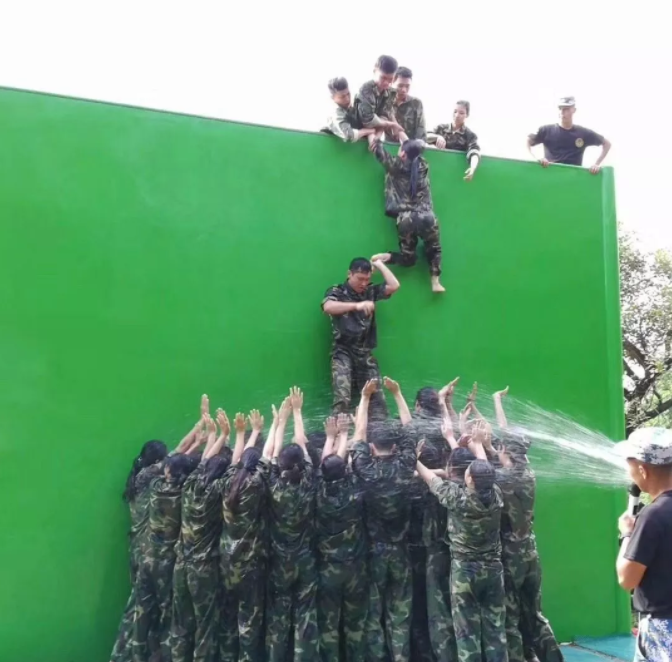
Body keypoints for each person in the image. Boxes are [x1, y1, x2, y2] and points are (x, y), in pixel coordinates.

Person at [416, 418, 508, 662]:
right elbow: (485, 471)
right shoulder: (497, 496)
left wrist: (413, 459)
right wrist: (477, 444)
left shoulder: (458, 498)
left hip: (465, 572)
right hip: (493, 570)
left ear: (469, 480)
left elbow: (431, 480)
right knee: (495, 630)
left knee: (466, 632)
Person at [487, 387, 563, 662]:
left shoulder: (503, 479)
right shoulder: (526, 470)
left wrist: (478, 446)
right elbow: (507, 441)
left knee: (511, 615)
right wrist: (496, 401)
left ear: (505, 450)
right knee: (535, 613)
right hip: (530, 551)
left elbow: (483, 467)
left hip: (512, 556)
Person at [351, 378, 416, 662]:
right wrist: (397, 393)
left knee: (373, 611)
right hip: (401, 552)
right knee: (400, 611)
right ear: (395, 445)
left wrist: (365, 399)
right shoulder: (405, 466)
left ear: (372, 447)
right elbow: (410, 430)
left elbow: (358, 434)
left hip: (374, 552)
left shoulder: (366, 469)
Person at [133, 435, 202, 662]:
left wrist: (197, 437)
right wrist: (206, 440)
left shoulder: (153, 485)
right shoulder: (184, 493)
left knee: (143, 609)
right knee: (168, 612)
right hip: (166, 563)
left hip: (146, 556)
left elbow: (173, 460)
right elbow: (182, 464)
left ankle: (139, 655)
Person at [171, 408, 231, 662]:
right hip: (202, 570)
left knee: (180, 623)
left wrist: (217, 434)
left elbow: (204, 461)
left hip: (181, 565)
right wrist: (226, 435)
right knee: (205, 626)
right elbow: (231, 471)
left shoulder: (188, 486)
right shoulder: (216, 493)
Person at [265, 388, 318, 662]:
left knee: (279, 612)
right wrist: (298, 412)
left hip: (280, 560)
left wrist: (281, 420)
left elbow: (273, 452)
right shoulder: (310, 483)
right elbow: (301, 443)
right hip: (305, 558)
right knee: (306, 613)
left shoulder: (274, 487)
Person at [616, 428, 672, 662]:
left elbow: (626, 579)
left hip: (662, 629)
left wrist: (627, 535)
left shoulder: (653, 516)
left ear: (642, 470)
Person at [315, 412, 368, 662]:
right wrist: (346, 433)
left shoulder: (318, 493)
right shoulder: (355, 490)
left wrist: (331, 438)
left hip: (329, 569)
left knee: (329, 623)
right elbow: (348, 463)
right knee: (356, 622)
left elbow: (324, 467)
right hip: (355, 567)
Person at [220, 409, 271, 662]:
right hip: (249, 567)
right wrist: (272, 426)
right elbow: (269, 457)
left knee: (229, 616)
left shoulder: (226, 482)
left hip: (227, 563)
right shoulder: (257, 484)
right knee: (249, 620)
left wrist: (242, 434)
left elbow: (236, 462)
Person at [110, 439, 169, 662]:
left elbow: (176, 455)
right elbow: (176, 459)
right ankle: (122, 655)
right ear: (157, 460)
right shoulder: (148, 476)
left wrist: (196, 435)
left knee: (143, 606)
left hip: (136, 549)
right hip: (146, 552)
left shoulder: (138, 476)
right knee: (138, 609)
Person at [321, 257, 400, 418]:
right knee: (342, 398)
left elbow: (394, 286)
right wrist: (356, 306)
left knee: (377, 401)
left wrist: (379, 264)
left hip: (365, 353)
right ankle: (338, 432)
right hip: (342, 352)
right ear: (349, 274)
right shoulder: (337, 291)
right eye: (360, 279)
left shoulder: (370, 291)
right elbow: (328, 307)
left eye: (367, 279)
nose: (364, 283)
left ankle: (379, 433)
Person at [369, 136, 445, 293]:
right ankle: (435, 282)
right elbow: (419, 145)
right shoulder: (423, 165)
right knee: (434, 249)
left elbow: (378, 150)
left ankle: (386, 257)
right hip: (427, 216)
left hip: (406, 219)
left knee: (408, 258)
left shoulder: (396, 165)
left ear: (403, 154)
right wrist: (405, 140)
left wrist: (379, 136)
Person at [527, 96, 611, 173]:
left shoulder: (582, 133)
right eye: (560, 108)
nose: (562, 112)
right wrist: (535, 159)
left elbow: (607, 144)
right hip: (550, 176)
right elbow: (528, 141)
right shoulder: (546, 130)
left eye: (566, 109)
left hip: (573, 178)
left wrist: (596, 164)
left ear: (574, 110)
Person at [353, 54, 404, 148]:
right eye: (383, 78)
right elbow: (368, 121)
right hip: (356, 134)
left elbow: (385, 115)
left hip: (374, 134)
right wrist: (392, 124)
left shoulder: (391, 92)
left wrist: (378, 136)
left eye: (390, 79)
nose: (386, 83)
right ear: (374, 71)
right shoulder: (366, 89)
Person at [426, 100, 481, 181]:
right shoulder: (441, 128)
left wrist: (472, 168)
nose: (457, 115)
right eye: (455, 111)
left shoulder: (469, 135)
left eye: (461, 113)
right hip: (437, 171)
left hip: (454, 174)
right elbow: (423, 137)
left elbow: (474, 152)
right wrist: (437, 137)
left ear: (467, 115)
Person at [322, 77, 377, 144]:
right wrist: (368, 131)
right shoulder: (334, 114)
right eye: (342, 97)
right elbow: (349, 134)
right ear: (332, 98)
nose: (347, 99)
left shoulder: (354, 107)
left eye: (348, 94)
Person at [385, 66, 426, 143]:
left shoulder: (416, 104)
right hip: (388, 146)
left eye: (407, 86)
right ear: (392, 83)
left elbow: (421, 132)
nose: (404, 90)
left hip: (410, 146)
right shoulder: (384, 101)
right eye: (400, 86)